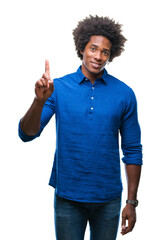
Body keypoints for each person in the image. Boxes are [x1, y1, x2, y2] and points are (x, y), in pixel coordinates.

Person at [18, 15, 143, 240]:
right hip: (68, 197)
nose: (98, 56)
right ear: (82, 48)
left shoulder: (124, 94)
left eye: (105, 51)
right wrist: (38, 101)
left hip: (109, 199)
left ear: (111, 55)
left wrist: (131, 202)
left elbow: (133, 150)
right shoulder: (58, 88)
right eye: (93, 48)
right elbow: (27, 134)